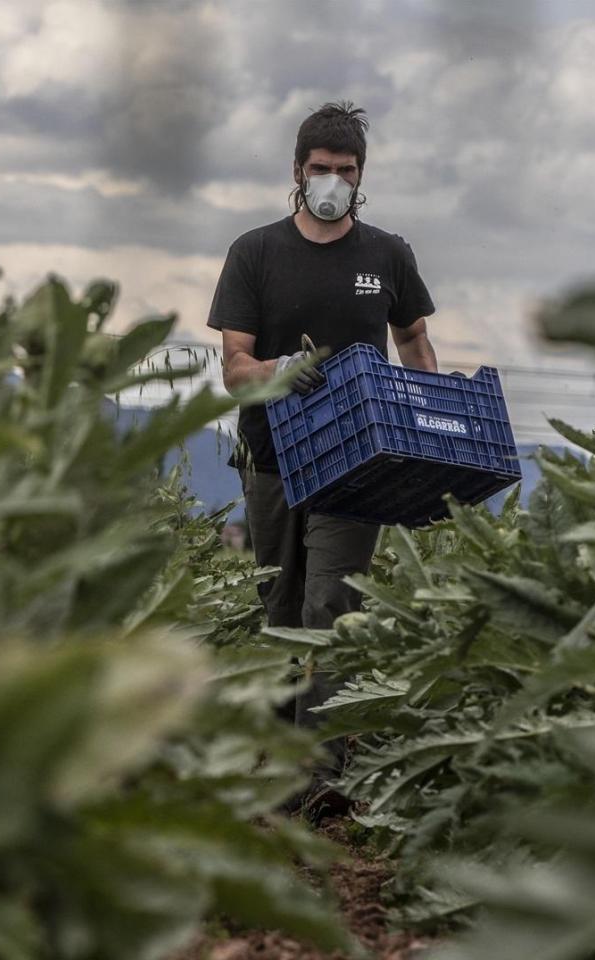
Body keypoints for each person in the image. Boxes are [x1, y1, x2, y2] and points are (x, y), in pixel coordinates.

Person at [206, 101, 438, 812]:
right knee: (278, 604)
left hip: (357, 461)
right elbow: (233, 366)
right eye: (320, 170)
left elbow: (414, 344)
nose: (331, 181)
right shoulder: (257, 252)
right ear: (297, 173)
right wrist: (278, 370)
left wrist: (427, 419)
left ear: (361, 177)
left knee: (330, 608)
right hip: (273, 455)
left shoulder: (387, 255)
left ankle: (320, 780)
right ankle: (274, 758)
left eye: (344, 171)